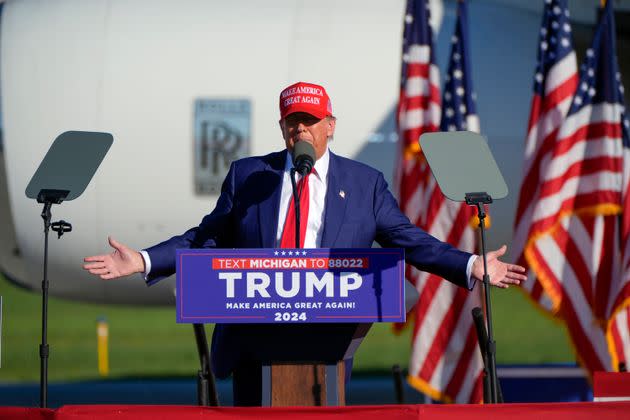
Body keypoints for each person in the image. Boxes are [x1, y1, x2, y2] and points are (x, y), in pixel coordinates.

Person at [84, 81, 526, 405]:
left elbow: (409, 240)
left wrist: (469, 265)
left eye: (310, 122)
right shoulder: (249, 177)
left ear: (330, 126)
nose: (301, 131)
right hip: (253, 347)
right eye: (293, 122)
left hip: (327, 348)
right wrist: (143, 260)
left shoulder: (364, 184)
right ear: (282, 128)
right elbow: (206, 238)